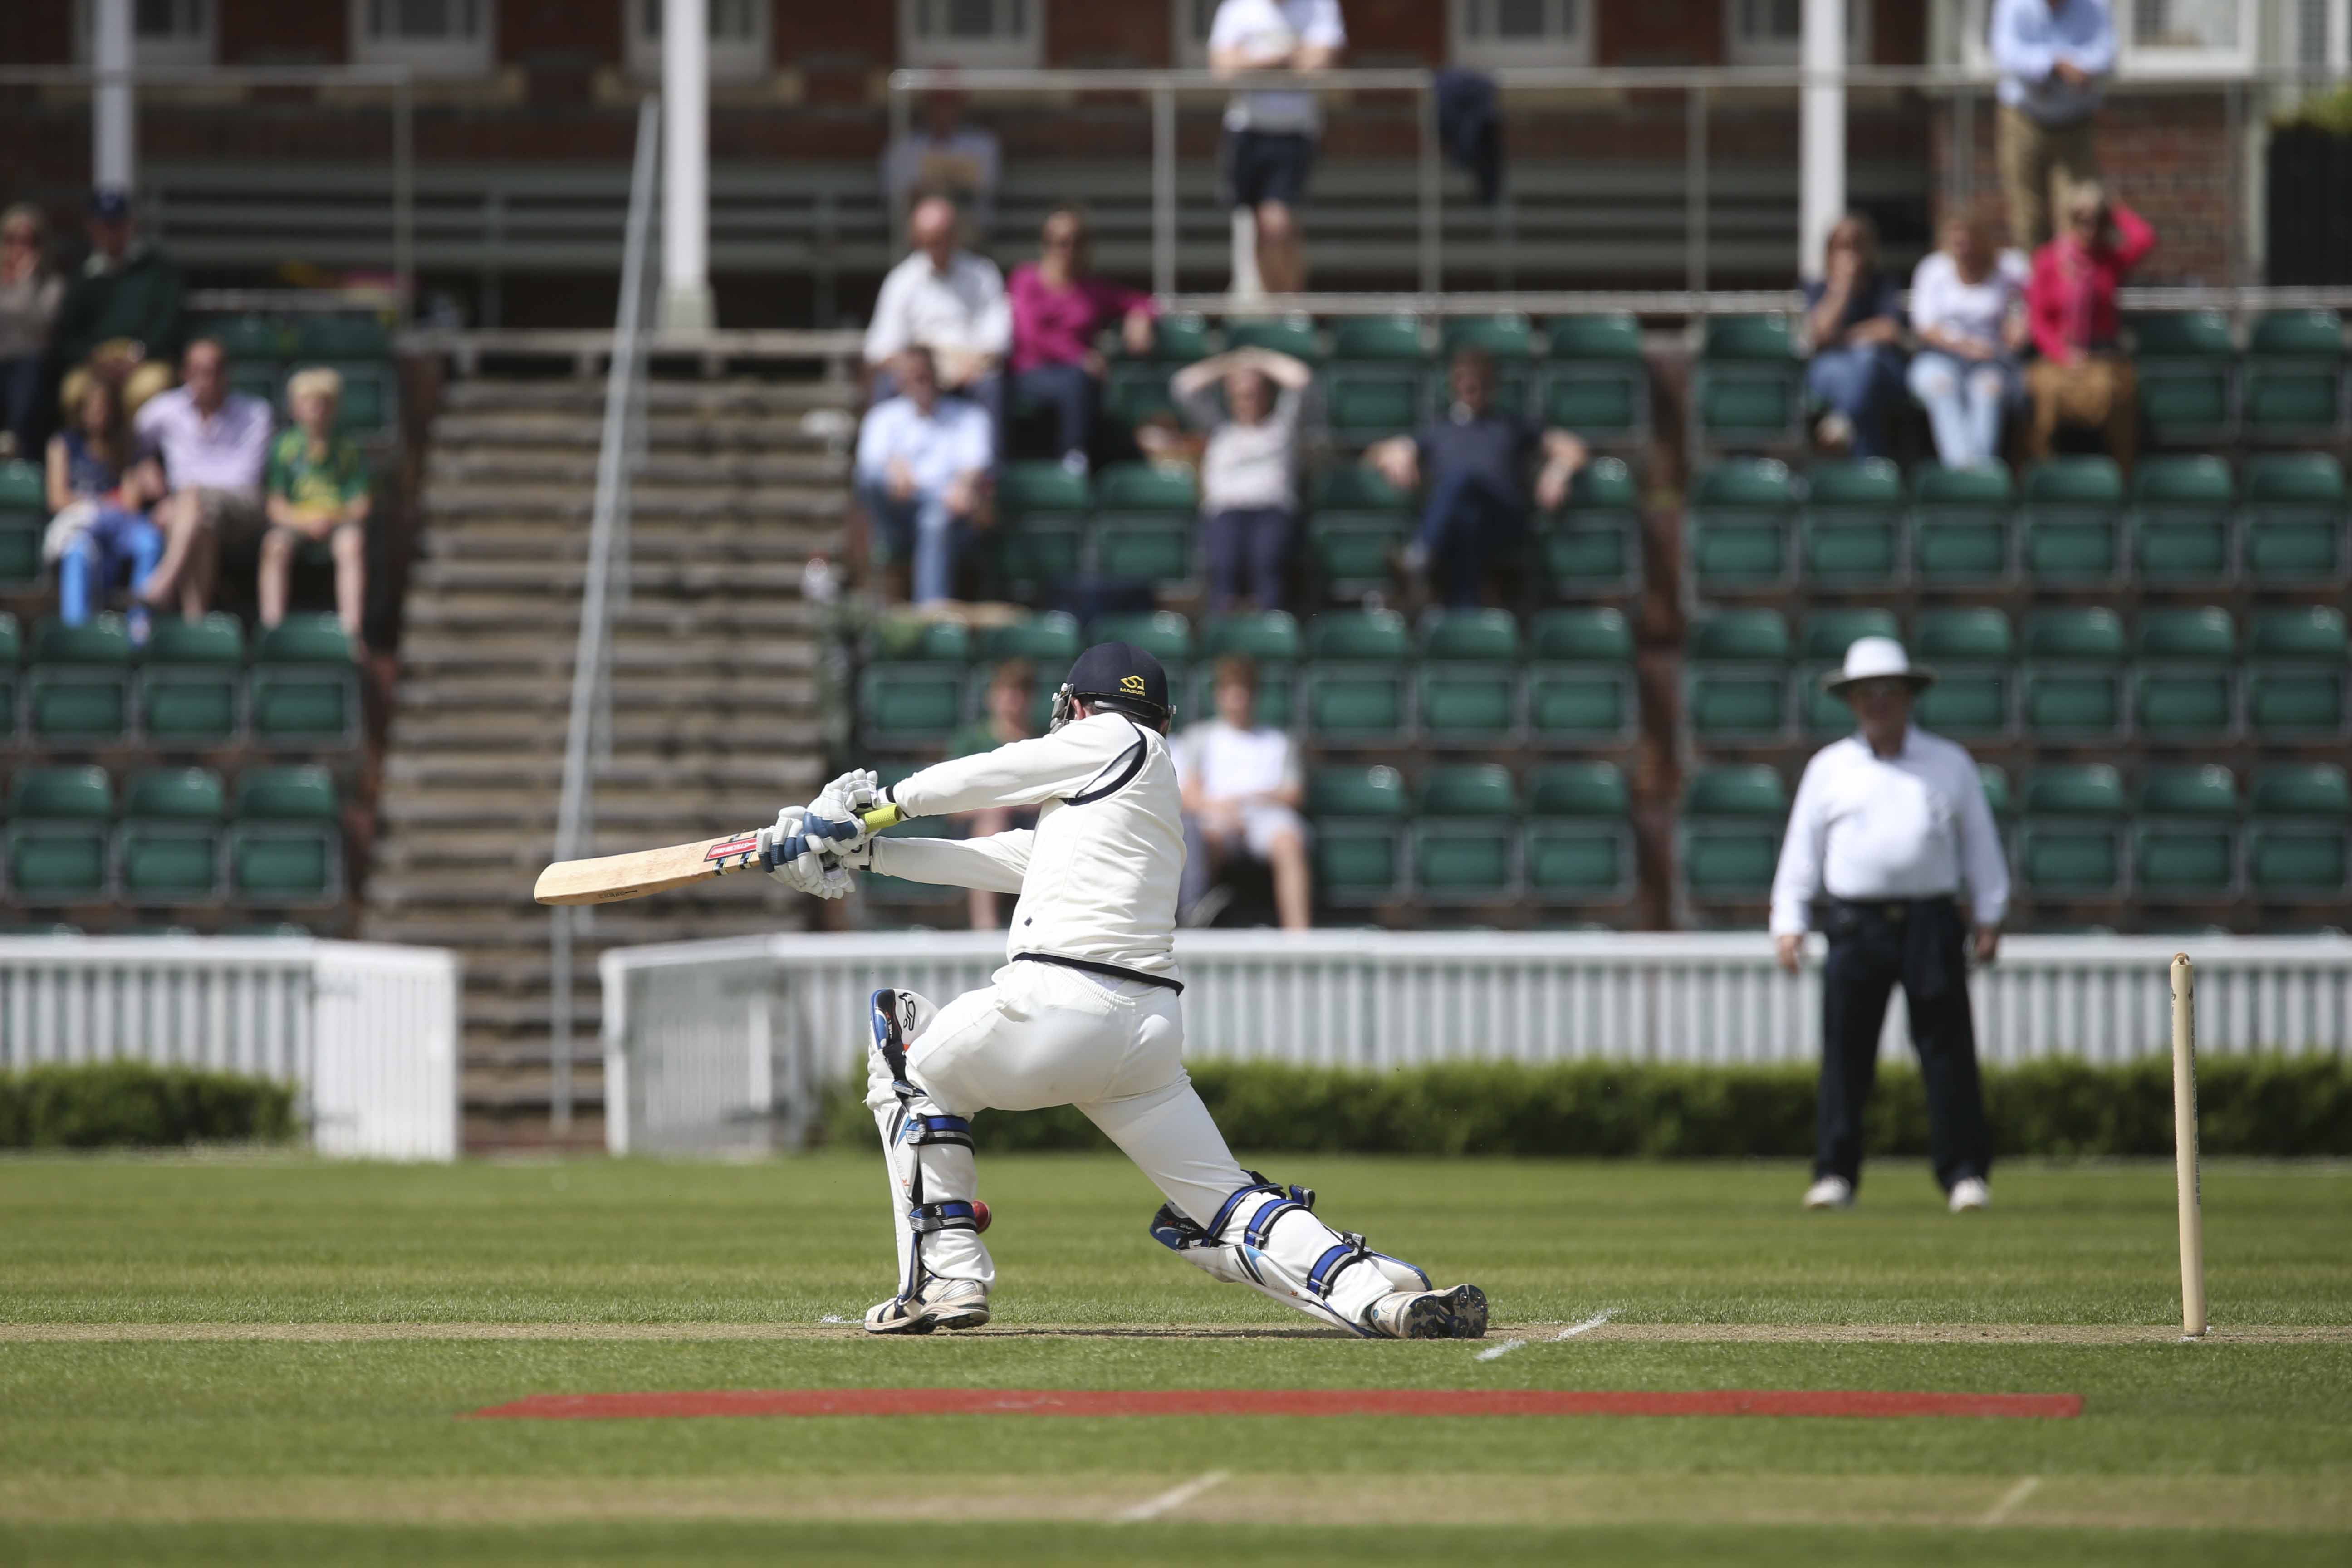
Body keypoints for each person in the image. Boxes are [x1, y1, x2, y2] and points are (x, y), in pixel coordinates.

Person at [761, 642, 1489, 1338]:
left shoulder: (1114, 738)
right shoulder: (1140, 795)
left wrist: (878, 804)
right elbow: (1004, 860)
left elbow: (998, 770)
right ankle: (1381, 1294)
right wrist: (870, 850)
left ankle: (946, 1278)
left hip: (1057, 1000)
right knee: (1222, 1199)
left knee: (904, 1050)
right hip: (1141, 1035)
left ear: (1080, 708)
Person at [1769, 637, 2009, 1216]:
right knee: (1846, 1052)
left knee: (1947, 1049)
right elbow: (1803, 848)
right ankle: (1835, 1173)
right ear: (1851, 701)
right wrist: (1789, 919)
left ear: (1908, 697)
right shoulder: (1830, 768)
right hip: (1856, 922)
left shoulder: (1948, 763)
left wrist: (1991, 912)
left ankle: (1964, 1174)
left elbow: (1979, 842)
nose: (1878, 703)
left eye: (1889, 692)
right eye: (1866, 694)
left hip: (1930, 918)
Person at [1364, 348, 1588, 608]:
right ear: (1453, 383)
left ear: (1492, 384)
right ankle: (1463, 619)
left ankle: (1418, 559)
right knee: (1466, 521)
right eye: (1463, 378)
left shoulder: (1511, 424)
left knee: (1463, 479)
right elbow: (1372, 454)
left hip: (1504, 519)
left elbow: (1572, 447)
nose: (1470, 385)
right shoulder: (1437, 428)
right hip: (1461, 527)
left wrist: (1558, 472)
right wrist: (1396, 453)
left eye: (1479, 379)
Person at [1001, 207, 1156, 473]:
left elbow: (1144, 302)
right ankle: (1073, 458)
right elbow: (1029, 335)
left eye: (1078, 241)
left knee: (1087, 383)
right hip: (1029, 374)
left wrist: (1140, 317)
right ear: (1045, 244)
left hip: (1079, 379)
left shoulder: (1091, 289)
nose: (1069, 249)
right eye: (1061, 241)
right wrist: (1078, 356)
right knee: (1078, 379)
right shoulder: (1026, 279)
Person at [1210, 0, 1348, 295]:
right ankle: (1275, 312)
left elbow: (1321, 62)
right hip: (1246, 131)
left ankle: (1291, 307)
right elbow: (1222, 67)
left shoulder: (1319, 6)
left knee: (1278, 224)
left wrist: (1251, 60)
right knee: (1261, 229)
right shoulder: (1236, 9)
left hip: (1294, 132)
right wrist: (1283, 58)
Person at [132, 338, 274, 620]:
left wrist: (181, 501)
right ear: (184, 373)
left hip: (242, 506)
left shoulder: (256, 413)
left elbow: (244, 478)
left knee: (191, 504)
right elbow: (131, 443)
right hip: (192, 511)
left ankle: (162, 585)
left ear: (226, 374)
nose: (204, 378)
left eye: (212, 370)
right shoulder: (164, 410)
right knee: (200, 524)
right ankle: (194, 623)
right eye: (196, 370)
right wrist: (145, 466)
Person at [2024, 181, 2154, 474]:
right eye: (2080, 219)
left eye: (2096, 220)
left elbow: (2145, 238)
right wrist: (2062, 354)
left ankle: (2120, 476)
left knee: (2115, 393)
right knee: (2044, 396)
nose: (2089, 227)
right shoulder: (2048, 260)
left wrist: (2113, 207)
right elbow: (2037, 319)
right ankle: (2044, 474)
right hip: (2058, 355)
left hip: (2100, 354)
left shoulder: (2108, 259)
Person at [1175, 656, 1311, 931]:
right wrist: (1220, 810)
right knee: (1202, 839)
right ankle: (1196, 921)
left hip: (1267, 816)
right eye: (1231, 694)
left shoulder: (1279, 741)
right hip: (1216, 816)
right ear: (1219, 696)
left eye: (1244, 694)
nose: (1238, 702)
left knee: (1289, 844)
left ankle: (1299, 936)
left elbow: (1294, 794)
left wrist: (1252, 801)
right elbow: (1190, 796)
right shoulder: (1199, 737)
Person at [1172, 345, 1312, 613]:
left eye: (1254, 392)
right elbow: (1182, 385)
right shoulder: (1219, 430)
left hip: (1272, 511)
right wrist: (1232, 363)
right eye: (1240, 393)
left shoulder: (1282, 428)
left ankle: (1271, 637)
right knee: (1224, 566)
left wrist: (1257, 360)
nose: (1247, 398)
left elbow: (1301, 380)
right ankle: (1223, 642)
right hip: (1226, 512)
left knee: (1268, 564)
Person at [853, 346, 993, 605]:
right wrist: (893, 466)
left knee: (934, 518)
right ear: (899, 380)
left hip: (951, 512)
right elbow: (870, 465)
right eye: (911, 376)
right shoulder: (883, 417)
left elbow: (976, 463)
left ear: (936, 374)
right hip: (894, 515)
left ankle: (930, 612)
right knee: (871, 476)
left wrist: (964, 485)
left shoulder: (969, 415)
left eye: (924, 374)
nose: (919, 382)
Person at [1906, 214, 2032, 469]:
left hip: (1992, 362)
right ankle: (1964, 471)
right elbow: (1925, 327)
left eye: (1970, 243)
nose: (1964, 251)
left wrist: (2020, 325)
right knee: (1942, 388)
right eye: (1958, 244)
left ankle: (1978, 472)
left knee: (1988, 391)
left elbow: (2032, 298)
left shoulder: (2009, 268)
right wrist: (1966, 346)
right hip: (1939, 358)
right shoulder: (1933, 269)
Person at [43, 374, 162, 635]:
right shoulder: (63, 443)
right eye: (93, 406)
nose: (99, 413)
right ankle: (77, 635)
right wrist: (103, 501)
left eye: (104, 406)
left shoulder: (126, 445)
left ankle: (140, 627)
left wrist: (102, 501)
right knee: (78, 552)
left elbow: (131, 502)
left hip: (119, 525)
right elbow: (58, 499)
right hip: (83, 525)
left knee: (150, 540)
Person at [1991, 0, 2114, 251]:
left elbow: (2108, 52)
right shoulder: (2014, 5)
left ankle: (2073, 285)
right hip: (2024, 118)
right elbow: (2005, 52)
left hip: (2076, 121)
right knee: (2028, 213)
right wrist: (2052, 65)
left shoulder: (2094, 5)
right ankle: (2038, 284)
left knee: (2080, 208)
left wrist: (2080, 68)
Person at [53, 190, 185, 420]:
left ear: (130, 225)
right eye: (104, 224)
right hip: (96, 363)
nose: (110, 231)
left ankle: (142, 456)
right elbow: (67, 335)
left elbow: (169, 323)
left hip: (145, 360)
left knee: (146, 392)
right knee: (74, 392)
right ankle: (86, 456)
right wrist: (94, 358)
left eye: (116, 223)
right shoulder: (82, 277)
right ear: (92, 227)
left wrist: (139, 355)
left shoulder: (157, 270)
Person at [261, 368, 370, 644]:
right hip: (297, 524)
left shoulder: (347, 449)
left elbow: (362, 504)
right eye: (309, 403)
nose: (316, 410)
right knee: (274, 546)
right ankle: (273, 630)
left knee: (352, 545)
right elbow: (275, 507)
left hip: (336, 523)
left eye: (323, 403)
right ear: (295, 408)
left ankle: (352, 633)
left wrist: (332, 519)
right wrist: (305, 522)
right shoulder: (283, 448)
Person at [863, 197, 1010, 399]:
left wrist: (969, 366)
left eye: (942, 239)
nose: (937, 248)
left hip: (970, 370)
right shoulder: (901, 280)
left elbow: (998, 339)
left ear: (955, 236)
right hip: (919, 373)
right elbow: (880, 348)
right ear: (917, 240)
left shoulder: (983, 274)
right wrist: (918, 368)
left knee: (991, 387)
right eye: (929, 241)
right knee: (885, 386)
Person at [1803, 212, 1906, 461]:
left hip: (1880, 370)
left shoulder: (1884, 284)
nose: (1851, 254)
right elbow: (1821, 333)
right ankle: (1870, 471)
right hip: (1830, 371)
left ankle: (1841, 419)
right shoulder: (1817, 287)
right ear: (1830, 252)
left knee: (1866, 358)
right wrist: (1842, 288)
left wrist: (1842, 338)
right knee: (1861, 382)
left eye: (1857, 245)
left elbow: (1888, 331)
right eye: (1842, 246)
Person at [946, 658, 1039, 931]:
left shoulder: (1041, 743)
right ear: (992, 696)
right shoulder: (972, 742)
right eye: (1006, 691)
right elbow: (950, 805)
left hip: (1033, 825)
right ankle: (984, 928)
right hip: (978, 827)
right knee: (992, 821)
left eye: (1020, 692)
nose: (1012, 700)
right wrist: (997, 807)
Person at [880, 89, 1002, 242]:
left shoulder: (983, 143)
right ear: (927, 106)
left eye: (950, 104)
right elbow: (894, 192)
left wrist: (952, 187)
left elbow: (988, 186)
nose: (944, 111)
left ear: (962, 106)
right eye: (938, 103)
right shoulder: (904, 146)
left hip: (969, 222)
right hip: (919, 223)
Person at [0, 203, 64, 461]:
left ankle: (18, 457)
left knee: (27, 376)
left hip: (30, 365)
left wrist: (26, 283)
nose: (19, 248)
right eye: (11, 240)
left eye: (28, 241)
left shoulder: (52, 284)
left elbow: (41, 325)